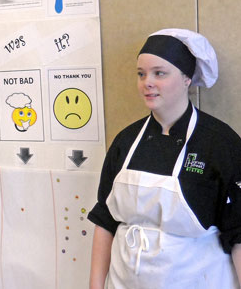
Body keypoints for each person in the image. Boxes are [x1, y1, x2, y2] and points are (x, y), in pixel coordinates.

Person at [88, 28, 241, 288]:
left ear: (186, 79)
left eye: (159, 73)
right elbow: (105, 220)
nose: (147, 82)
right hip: (125, 281)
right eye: (141, 74)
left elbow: (238, 231)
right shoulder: (125, 141)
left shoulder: (220, 142)